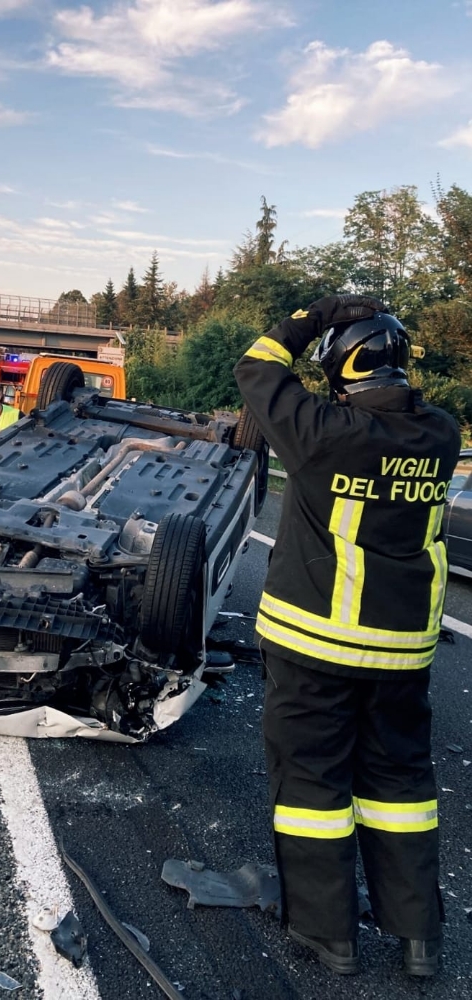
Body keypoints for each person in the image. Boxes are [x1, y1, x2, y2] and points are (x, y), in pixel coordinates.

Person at [233, 295, 460, 978]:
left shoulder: (322, 431)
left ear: (340, 368)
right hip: (403, 652)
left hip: (316, 645)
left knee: (312, 784)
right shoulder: (442, 435)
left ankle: (328, 935)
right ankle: (419, 939)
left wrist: (316, 312)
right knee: (401, 787)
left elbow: (258, 366)